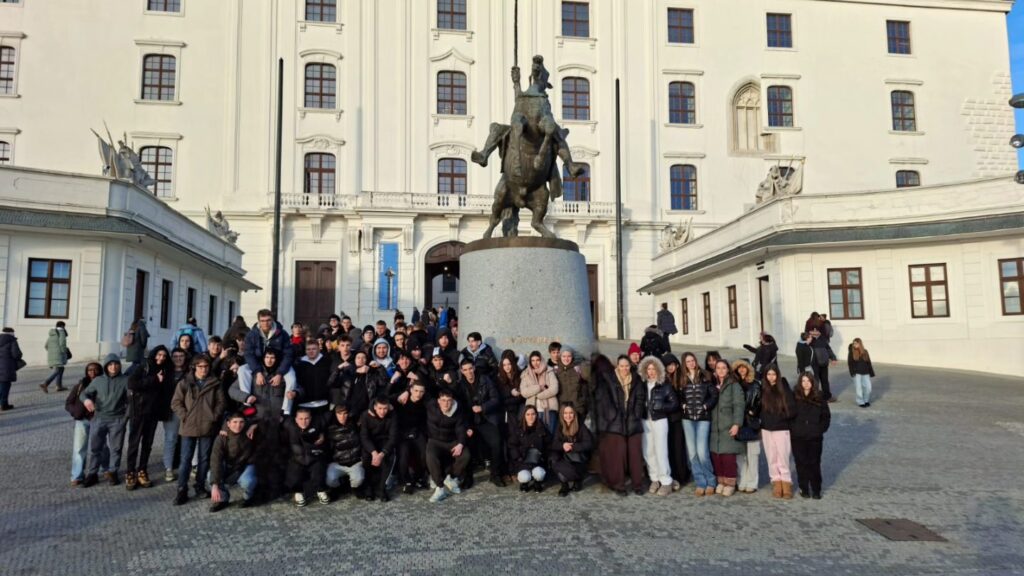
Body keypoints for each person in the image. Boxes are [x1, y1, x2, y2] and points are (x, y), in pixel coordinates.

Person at [171, 354, 226, 505]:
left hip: (207, 425)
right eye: (200, 366)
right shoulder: (184, 383)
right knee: (185, 460)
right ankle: (182, 489)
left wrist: (213, 416)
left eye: (206, 366)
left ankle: (200, 486)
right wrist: (185, 416)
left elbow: (221, 403)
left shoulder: (215, 383)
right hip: (189, 426)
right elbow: (176, 402)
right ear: (194, 367)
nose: (203, 369)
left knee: (204, 458)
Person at [594, 354, 647, 496]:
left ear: (630, 366)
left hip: (632, 421)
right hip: (616, 422)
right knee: (619, 455)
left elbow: (640, 398)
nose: (624, 368)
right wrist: (613, 415)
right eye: (622, 366)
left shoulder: (636, 379)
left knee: (635, 454)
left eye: (627, 366)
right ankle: (619, 485)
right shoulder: (609, 378)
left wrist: (636, 414)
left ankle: (637, 484)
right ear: (617, 366)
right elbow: (604, 399)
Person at [124, 346, 171, 490]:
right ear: (154, 354)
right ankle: (130, 471)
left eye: (164, 356)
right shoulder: (144, 366)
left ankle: (142, 470)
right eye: (159, 355)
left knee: (147, 444)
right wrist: (154, 379)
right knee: (134, 443)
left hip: (153, 412)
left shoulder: (166, 369)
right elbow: (132, 383)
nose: (161, 358)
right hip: (139, 410)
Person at [80, 354, 130, 486]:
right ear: (106, 366)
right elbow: (84, 393)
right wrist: (86, 400)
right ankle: (92, 474)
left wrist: (125, 417)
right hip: (99, 419)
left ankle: (113, 472)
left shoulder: (125, 380)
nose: (113, 367)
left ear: (119, 365)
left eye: (116, 364)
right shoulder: (98, 380)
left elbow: (131, 400)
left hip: (117, 420)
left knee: (116, 449)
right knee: (95, 448)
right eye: (110, 364)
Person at [240, 309, 297, 415]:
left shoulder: (282, 334)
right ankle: (247, 402)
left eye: (268, 320)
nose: (265, 323)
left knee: (291, 378)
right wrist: (258, 372)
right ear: (258, 321)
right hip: (259, 364)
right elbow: (248, 354)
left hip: (278, 364)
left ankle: (286, 409)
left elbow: (288, 354)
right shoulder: (252, 334)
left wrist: (280, 373)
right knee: (242, 370)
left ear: (272, 320)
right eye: (262, 321)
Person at [460, 358, 506, 487]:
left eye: (470, 368)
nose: (469, 372)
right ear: (462, 371)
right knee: (467, 445)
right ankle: (468, 477)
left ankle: (495, 475)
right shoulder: (460, 385)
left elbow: (496, 399)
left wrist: (482, 407)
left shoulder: (485, 380)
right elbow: (460, 408)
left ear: (474, 368)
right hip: (470, 422)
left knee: (497, 443)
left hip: (487, 419)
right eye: (465, 370)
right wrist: (467, 427)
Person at [638, 356, 677, 496]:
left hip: (659, 420)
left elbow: (674, 403)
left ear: (658, 370)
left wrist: (661, 407)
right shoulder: (642, 385)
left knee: (661, 450)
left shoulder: (664, 385)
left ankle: (666, 480)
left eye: (654, 369)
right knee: (648, 450)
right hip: (645, 420)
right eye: (648, 369)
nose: (651, 372)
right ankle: (654, 478)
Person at [680, 352, 717, 496]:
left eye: (692, 360)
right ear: (684, 364)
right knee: (692, 453)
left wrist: (706, 406)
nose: (691, 363)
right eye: (688, 361)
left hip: (703, 418)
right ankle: (700, 482)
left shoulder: (705, 376)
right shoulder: (682, 378)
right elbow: (679, 396)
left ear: (696, 361)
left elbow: (714, 395)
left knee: (702, 452)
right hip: (687, 418)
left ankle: (711, 480)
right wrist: (683, 405)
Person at [66, 362, 108, 486]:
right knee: (79, 448)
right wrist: (75, 412)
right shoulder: (80, 385)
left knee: (103, 446)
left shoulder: (104, 384)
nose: (92, 372)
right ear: (86, 371)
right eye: (90, 370)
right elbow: (68, 403)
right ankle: (77, 475)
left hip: (99, 419)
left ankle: (106, 469)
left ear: (100, 371)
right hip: (82, 420)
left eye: (95, 370)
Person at [425, 390, 470, 503]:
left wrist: (460, 444)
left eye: (449, 401)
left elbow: (460, 429)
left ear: (452, 401)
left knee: (465, 455)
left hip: (451, 441)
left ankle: (451, 477)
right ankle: (440, 487)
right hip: (434, 441)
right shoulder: (431, 405)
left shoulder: (457, 411)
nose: (446, 403)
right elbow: (418, 395)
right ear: (438, 401)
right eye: (443, 400)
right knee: (430, 457)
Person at [759, 364, 796, 499]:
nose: (771, 377)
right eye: (768, 374)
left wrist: (783, 418)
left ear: (777, 375)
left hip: (781, 427)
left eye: (773, 374)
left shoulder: (783, 387)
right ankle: (776, 481)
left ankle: (786, 482)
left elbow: (791, 407)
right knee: (771, 457)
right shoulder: (763, 389)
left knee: (783, 456)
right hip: (766, 428)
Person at [209, 411, 258, 512]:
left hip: (245, 465)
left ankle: (248, 497)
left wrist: (254, 426)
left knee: (248, 481)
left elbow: (263, 421)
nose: (238, 425)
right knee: (211, 475)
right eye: (235, 422)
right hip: (229, 465)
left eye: (241, 422)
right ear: (228, 424)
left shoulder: (250, 433)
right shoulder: (222, 437)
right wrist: (214, 485)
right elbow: (215, 460)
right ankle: (223, 499)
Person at [792, 373, 831, 499]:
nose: (806, 383)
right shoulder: (795, 397)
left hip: (814, 437)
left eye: (808, 381)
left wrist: (819, 429)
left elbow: (826, 416)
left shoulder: (819, 397)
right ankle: (804, 488)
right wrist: (794, 429)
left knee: (814, 463)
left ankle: (816, 489)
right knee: (801, 463)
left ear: (812, 382)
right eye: (803, 381)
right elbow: (789, 414)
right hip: (798, 436)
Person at [709, 359, 744, 497]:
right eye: (718, 368)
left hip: (728, 424)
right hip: (715, 425)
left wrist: (737, 424)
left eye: (724, 368)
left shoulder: (734, 385)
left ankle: (730, 483)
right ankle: (721, 481)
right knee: (716, 455)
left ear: (728, 369)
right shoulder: (713, 384)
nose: (721, 370)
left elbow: (739, 405)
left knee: (728, 456)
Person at [283, 408, 330, 507]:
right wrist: (254, 425)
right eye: (301, 419)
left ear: (311, 418)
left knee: (319, 469)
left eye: (306, 418)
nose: (303, 422)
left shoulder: (318, 423)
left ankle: (320, 490)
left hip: (313, 457)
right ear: (296, 419)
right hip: (297, 458)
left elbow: (331, 418)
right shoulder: (289, 425)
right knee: (294, 473)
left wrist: (323, 435)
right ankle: (298, 492)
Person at [158, 348, 190, 483]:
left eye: (181, 356)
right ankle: (168, 468)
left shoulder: (190, 372)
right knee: (171, 439)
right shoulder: (166, 372)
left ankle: (188, 466)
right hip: (171, 411)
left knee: (188, 438)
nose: (178, 358)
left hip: (188, 410)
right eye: (175, 356)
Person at [358, 397, 399, 501]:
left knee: (388, 458)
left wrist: (382, 454)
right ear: (375, 407)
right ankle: (368, 488)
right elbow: (364, 436)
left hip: (385, 442)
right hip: (371, 443)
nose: (382, 411)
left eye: (385, 408)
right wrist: (374, 453)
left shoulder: (393, 415)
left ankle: (382, 488)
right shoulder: (365, 415)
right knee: (366, 458)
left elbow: (393, 437)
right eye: (380, 408)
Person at [732, 359, 762, 494]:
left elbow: (760, 402)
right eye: (739, 368)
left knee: (753, 455)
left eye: (744, 367)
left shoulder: (755, 384)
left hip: (751, 422)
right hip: (738, 422)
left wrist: (753, 412)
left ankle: (752, 482)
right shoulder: (734, 384)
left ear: (749, 369)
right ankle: (742, 480)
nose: (742, 370)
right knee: (740, 455)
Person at [550, 403, 594, 496]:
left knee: (576, 462)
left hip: (577, 457)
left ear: (574, 414)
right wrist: (563, 445)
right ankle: (564, 485)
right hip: (564, 457)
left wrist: (573, 447)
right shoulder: (559, 426)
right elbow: (554, 443)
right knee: (553, 459)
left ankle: (577, 479)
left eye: (571, 413)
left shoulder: (581, 426)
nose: (568, 415)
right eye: (565, 413)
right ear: (562, 414)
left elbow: (589, 443)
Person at [394, 381, 429, 494]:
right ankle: (407, 481)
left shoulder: (424, 402)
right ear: (411, 390)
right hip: (402, 434)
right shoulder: (402, 400)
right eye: (416, 391)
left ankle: (419, 477)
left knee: (424, 453)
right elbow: (382, 400)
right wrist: (404, 392)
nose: (418, 394)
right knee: (403, 456)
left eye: (421, 391)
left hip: (417, 432)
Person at [661, 353, 690, 490]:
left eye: (672, 365)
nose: (670, 368)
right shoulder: (662, 379)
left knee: (678, 447)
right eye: (667, 366)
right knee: (668, 447)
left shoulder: (681, 379)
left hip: (678, 418)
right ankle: (671, 475)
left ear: (676, 365)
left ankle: (681, 475)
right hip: (665, 418)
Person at [508, 405, 550, 492]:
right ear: (524, 415)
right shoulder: (518, 429)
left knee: (539, 473)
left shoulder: (542, 428)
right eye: (528, 414)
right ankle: (524, 483)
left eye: (533, 414)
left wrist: (543, 456)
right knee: (524, 477)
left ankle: (537, 482)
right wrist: (518, 457)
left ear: (536, 415)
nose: (531, 417)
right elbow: (512, 445)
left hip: (538, 461)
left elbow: (549, 444)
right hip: (522, 461)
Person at [326, 404, 365, 495]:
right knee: (330, 480)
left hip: (355, 462)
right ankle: (339, 488)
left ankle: (354, 488)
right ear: (335, 414)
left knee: (358, 479)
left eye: (345, 413)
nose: (342, 416)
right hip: (337, 463)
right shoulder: (330, 429)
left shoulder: (355, 424)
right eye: (339, 414)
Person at [519, 351, 560, 433]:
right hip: (533, 410)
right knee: (536, 434)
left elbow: (554, 388)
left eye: (537, 360)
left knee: (550, 433)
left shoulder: (549, 371)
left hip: (549, 408)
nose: (535, 363)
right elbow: (524, 392)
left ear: (541, 360)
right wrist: (539, 387)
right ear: (530, 362)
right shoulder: (526, 374)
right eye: (533, 360)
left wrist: (539, 395)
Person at [294, 340, 333, 424]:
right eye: (308, 349)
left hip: (323, 403)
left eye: (314, 349)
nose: (311, 351)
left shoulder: (327, 361)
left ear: (319, 349)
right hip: (304, 404)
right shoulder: (299, 363)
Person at [554, 347, 589, 424]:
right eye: (564, 356)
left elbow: (586, 387)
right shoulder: (555, 371)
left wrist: (582, 402)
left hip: (577, 408)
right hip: (562, 410)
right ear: (560, 357)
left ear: (572, 357)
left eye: (569, 356)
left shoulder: (578, 369)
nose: (566, 359)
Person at [497, 352, 525, 431]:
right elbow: (499, 395)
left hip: (519, 406)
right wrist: (510, 392)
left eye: (509, 364)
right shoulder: (499, 378)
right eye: (504, 365)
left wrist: (516, 396)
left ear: (512, 364)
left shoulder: (519, 376)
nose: (507, 367)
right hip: (506, 408)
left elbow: (521, 395)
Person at [0, 327, 24, 411]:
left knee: (2, 384)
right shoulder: (12, 340)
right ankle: (4, 404)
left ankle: (4, 403)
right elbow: (16, 354)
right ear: (11, 333)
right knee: (5, 385)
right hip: (7, 366)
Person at [42, 320, 70, 392]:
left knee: (61, 369)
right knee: (59, 370)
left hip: (52, 355)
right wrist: (64, 352)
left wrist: (52, 352)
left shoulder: (52, 334)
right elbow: (62, 343)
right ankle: (46, 383)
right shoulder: (61, 332)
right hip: (59, 355)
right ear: (63, 326)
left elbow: (46, 346)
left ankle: (59, 386)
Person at [848, 338, 876, 408]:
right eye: (854, 343)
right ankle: (860, 401)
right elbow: (850, 363)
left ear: (860, 344)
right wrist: (852, 373)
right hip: (857, 373)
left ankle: (866, 400)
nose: (855, 345)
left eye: (856, 343)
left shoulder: (865, 352)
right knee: (859, 388)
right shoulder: (851, 352)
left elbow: (869, 362)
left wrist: (871, 372)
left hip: (865, 372)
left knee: (868, 388)